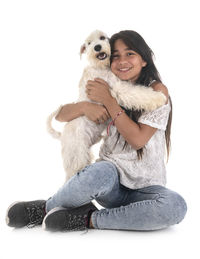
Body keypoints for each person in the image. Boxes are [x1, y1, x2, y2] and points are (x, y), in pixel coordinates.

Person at [6, 30, 187, 231]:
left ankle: (88, 219)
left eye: (130, 54)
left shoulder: (157, 91)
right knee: (97, 172)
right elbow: (61, 116)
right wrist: (85, 107)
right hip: (110, 183)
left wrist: (108, 101)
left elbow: (138, 140)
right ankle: (45, 209)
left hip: (148, 189)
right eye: (115, 56)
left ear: (144, 60)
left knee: (176, 207)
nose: (122, 61)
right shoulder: (106, 82)